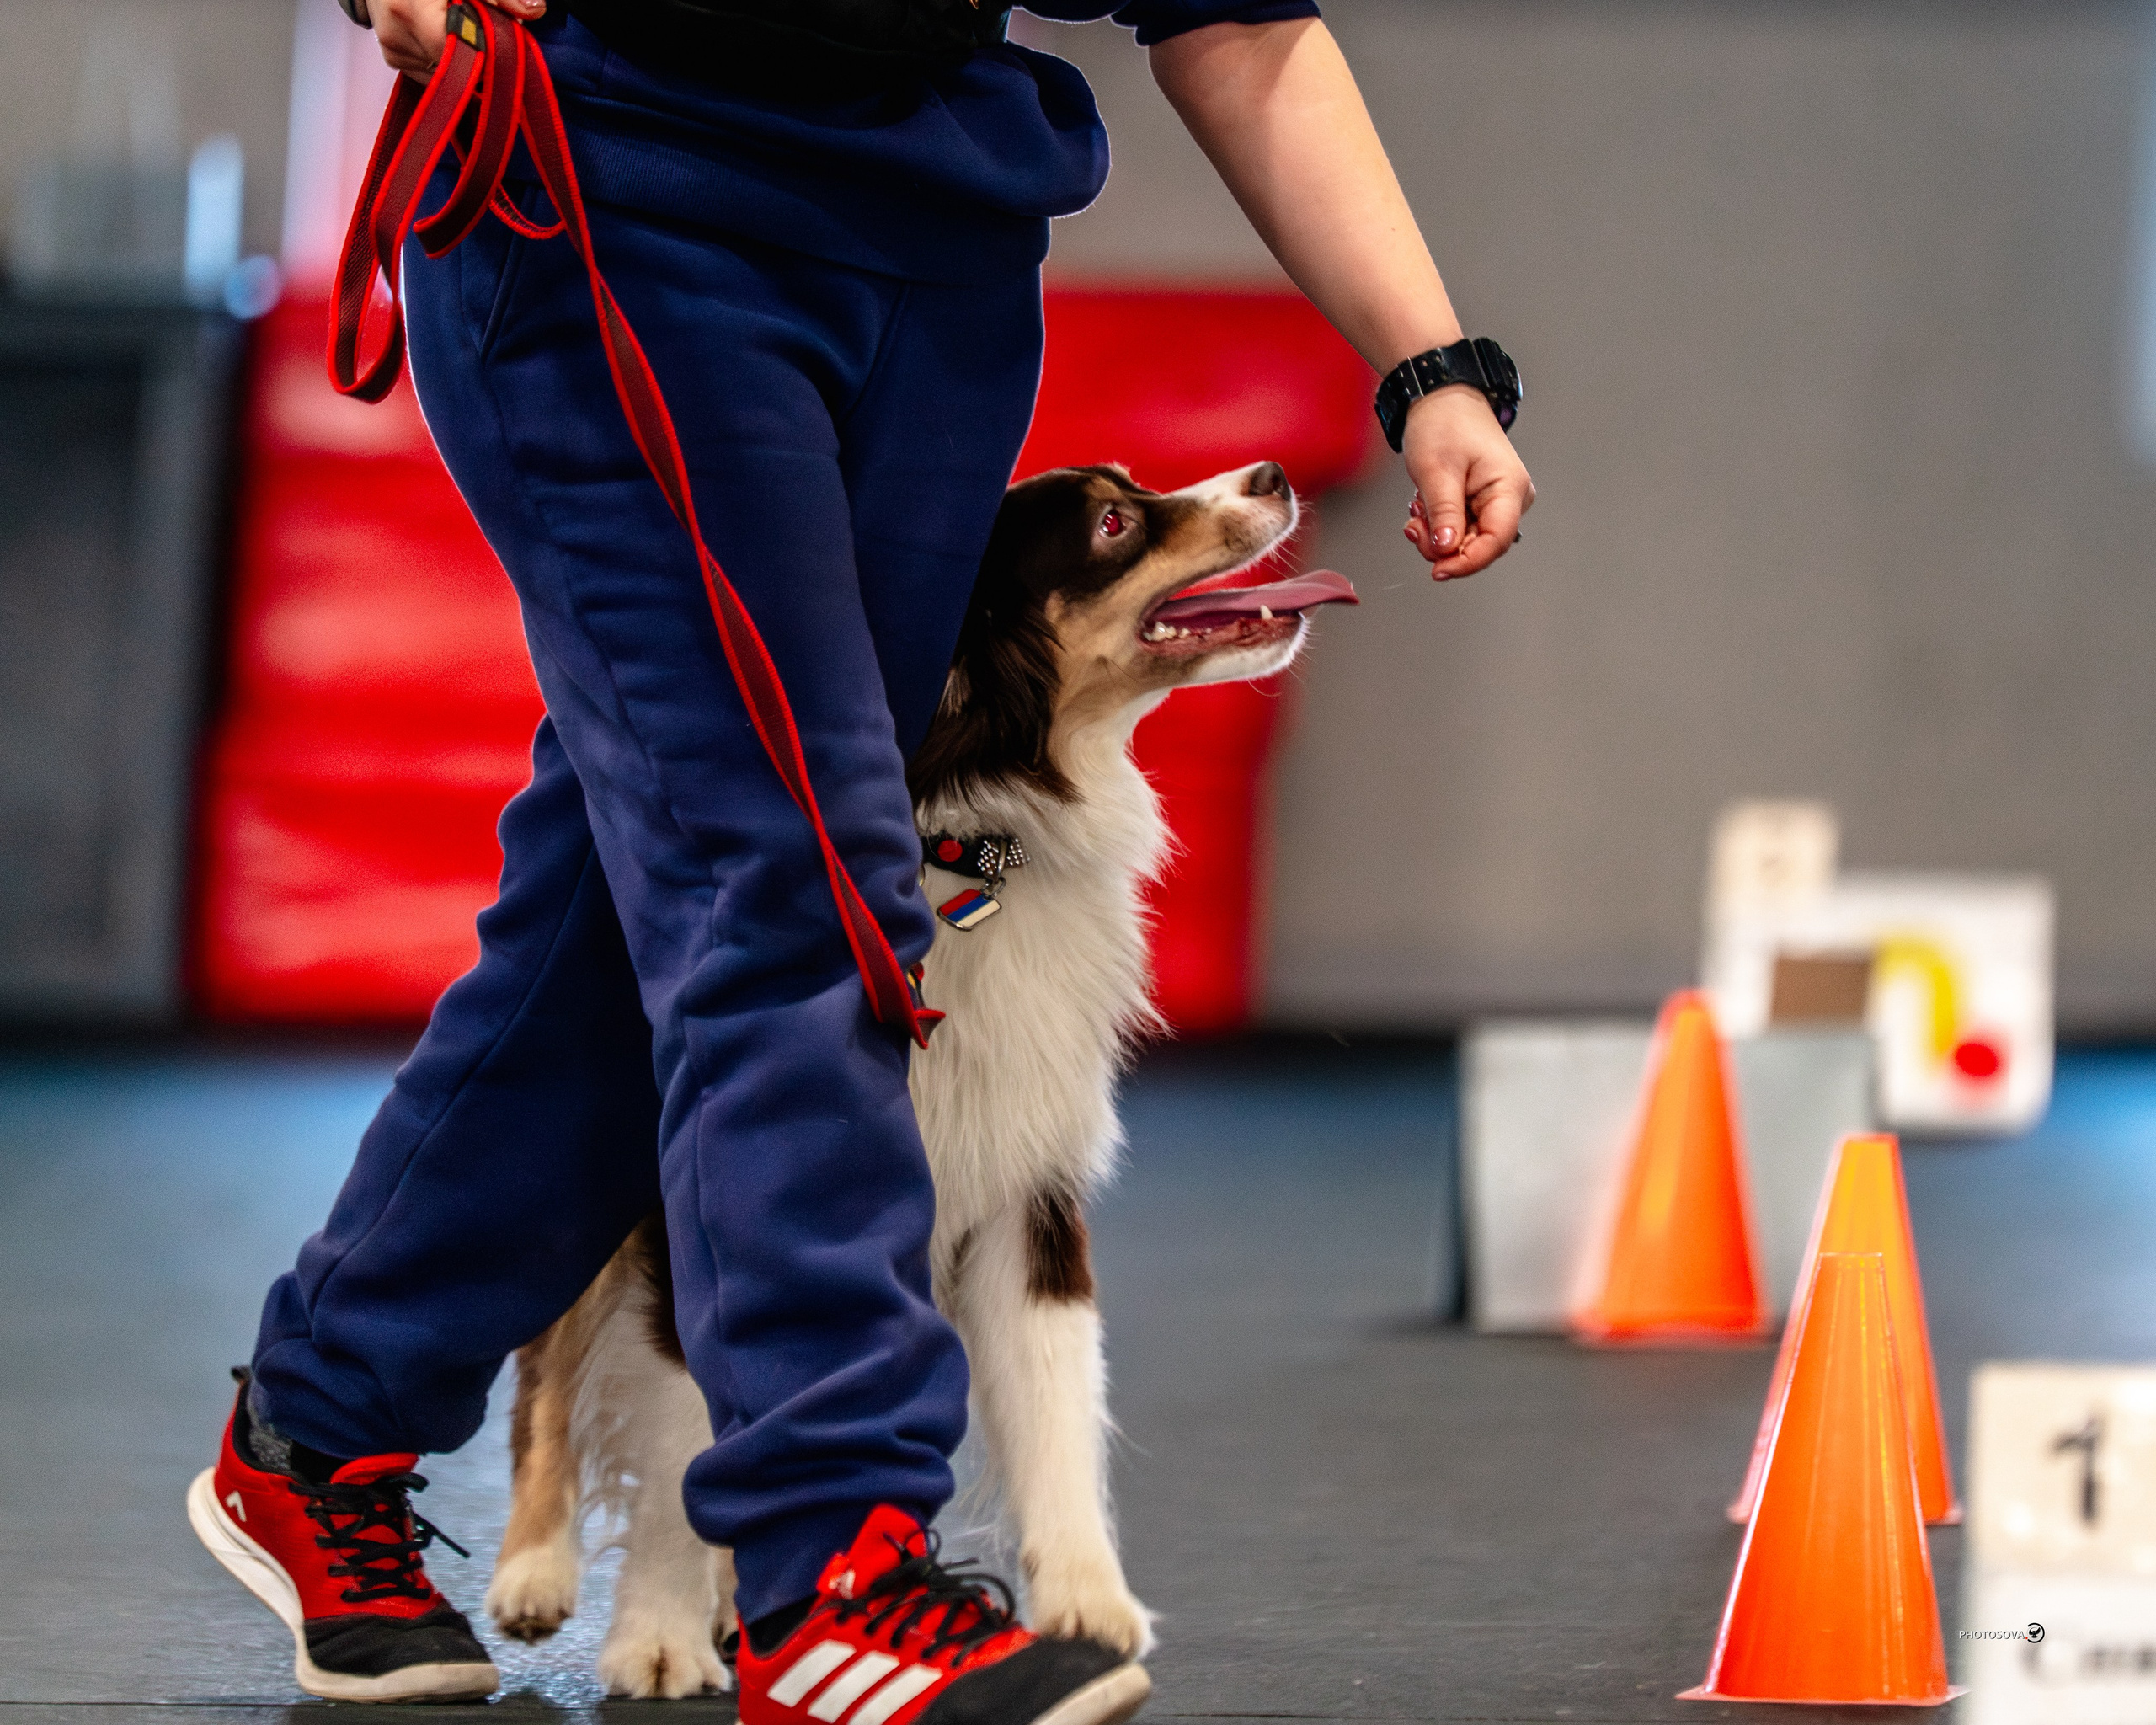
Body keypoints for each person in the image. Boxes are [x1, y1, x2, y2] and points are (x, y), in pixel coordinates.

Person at [188, 0, 1535, 1715]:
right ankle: (833, 1560)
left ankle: (328, 1409)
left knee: (635, 902)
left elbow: (1241, 24)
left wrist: (1426, 361)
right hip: (623, 194)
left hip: (933, 249)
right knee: (804, 883)